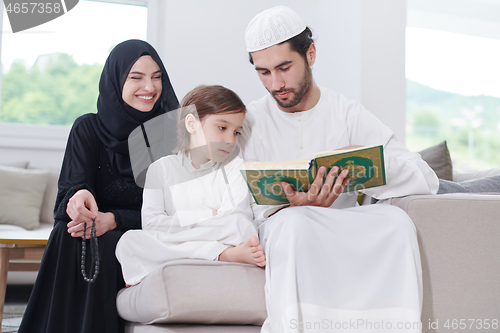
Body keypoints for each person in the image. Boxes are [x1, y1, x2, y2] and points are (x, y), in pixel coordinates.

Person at [240, 6, 439, 333]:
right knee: (296, 222)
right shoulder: (247, 121)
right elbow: (232, 200)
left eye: (284, 67)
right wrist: (285, 206)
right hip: (284, 227)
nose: (275, 83)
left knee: (396, 221)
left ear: (311, 54)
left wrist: (360, 158)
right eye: (264, 72)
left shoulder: (347, 114)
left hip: (344, 224)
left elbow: (424, 178)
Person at [18, 39, 179, 333]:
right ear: (115, 81)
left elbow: (176, 209)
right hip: (90, 232)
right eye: (136, 77)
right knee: (69, 233)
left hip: (144, 232)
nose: (150, 87)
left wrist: (114, 220)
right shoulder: (87, 128)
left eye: (157, 77)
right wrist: (79, 198)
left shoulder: (173, 135)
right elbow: (71, 188)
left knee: (109, 242)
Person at [115, 85, 265, 287]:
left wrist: (181, 227)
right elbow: (151, 225)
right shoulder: (160, 169)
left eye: (237, 132)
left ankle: (176, 257)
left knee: (241, 225)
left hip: (183, 239)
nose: (230, 140)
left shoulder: (235, 167)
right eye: (222, 128)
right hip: (209, 240)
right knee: (129, 242)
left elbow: (235, 218)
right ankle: (222, 255)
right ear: (192, 123)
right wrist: (207, 215)